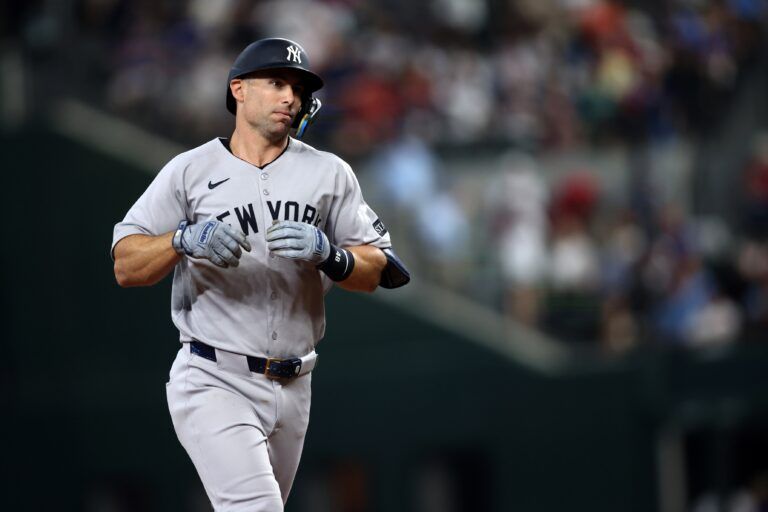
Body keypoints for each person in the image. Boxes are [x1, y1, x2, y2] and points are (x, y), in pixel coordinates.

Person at [110, 38, 410, 511]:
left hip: (295, 385)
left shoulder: (328, 173)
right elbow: (126, 263)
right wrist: (180, 240)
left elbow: (381, 268)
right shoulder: (189, 171)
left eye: (297, 88)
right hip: (214, 376)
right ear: (239, 90)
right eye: (275, 83)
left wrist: (332, 255)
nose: (290, 97)